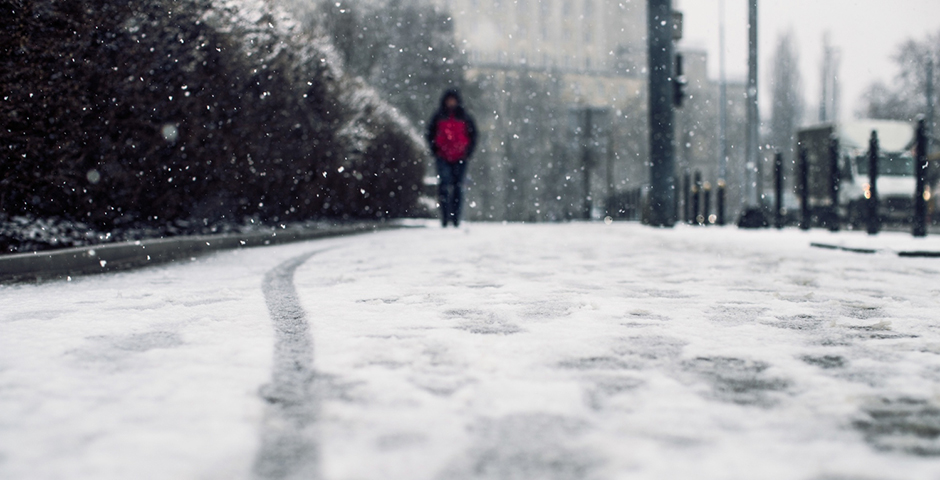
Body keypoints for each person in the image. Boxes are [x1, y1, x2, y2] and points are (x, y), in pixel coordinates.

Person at [427, 89, 477, 227]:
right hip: (442, 156)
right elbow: (430, 133)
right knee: (444, 186)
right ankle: (444, 218)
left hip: (460, 157)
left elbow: (473, 135)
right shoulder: (438, 116)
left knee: (457, 188)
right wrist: (435, 150)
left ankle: (455, 219)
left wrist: (468, 152)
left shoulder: (465, 117)